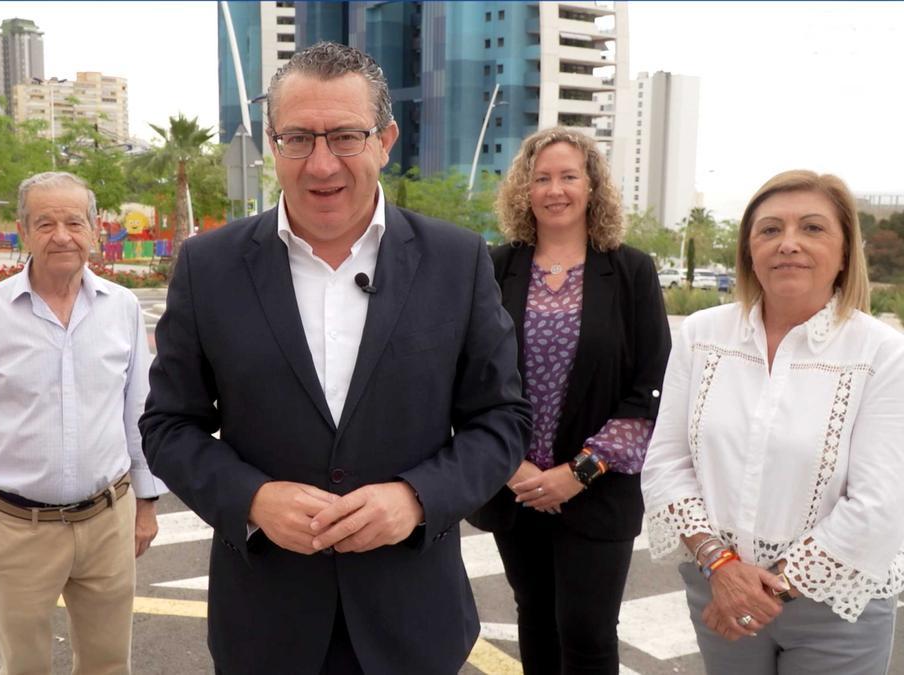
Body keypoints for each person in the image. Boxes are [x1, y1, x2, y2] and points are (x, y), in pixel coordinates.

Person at [140, 42, 533, 675]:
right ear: (273, 145)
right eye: (298, 138)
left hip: (413, 623)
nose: (322, 164)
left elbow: (503, 420)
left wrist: (415, 498)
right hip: (266, 626)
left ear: (386, 140)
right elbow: (167, 426)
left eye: (346, 136)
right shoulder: (208, 267)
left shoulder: (457, 262)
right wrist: (252, 499)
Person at [641, 170, 904, 674]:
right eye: (769, 230)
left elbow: (880, 503)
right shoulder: (700, 335)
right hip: (716, 588)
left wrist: (768, 588)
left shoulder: (882, 354)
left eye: (811, 228)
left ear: (846, 251)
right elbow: (666, 464)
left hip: (837, 603)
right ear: (748, 250)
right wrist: (722, 567)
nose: (789, 244)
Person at [466, 127, 671, 674]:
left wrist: (576, 472)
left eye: (568, 176)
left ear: (592, 187)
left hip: (598, 485)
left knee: (587, 630)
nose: (555, 190)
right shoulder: (493, 267)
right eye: (542, 178)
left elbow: (652, 387)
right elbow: (467, 376)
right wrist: (513, 467)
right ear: (524, 191)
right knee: (534, 615)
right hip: (517, 485)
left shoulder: (630, 270)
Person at [0, 171, 166, 675]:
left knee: (109, 663)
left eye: (75, 221)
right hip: (18, 525)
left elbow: (137, 411)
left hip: (107, 518)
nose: (62, 235)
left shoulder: (121, 308)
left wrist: (147, 504)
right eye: (45, 223)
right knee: (24, 666)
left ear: (95, 229)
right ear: (23, 232)